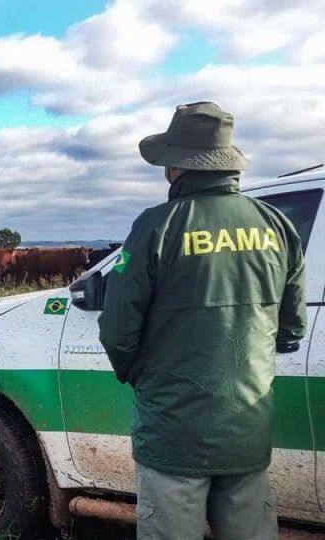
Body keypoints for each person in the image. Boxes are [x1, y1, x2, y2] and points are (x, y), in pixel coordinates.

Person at [98, 102, 306, 540]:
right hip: (247, 427)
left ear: (176, 166)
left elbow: (118, 329)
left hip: (174, 433)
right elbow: (291, 330)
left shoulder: (157, 227)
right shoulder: (277, 226)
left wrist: (140, 375)